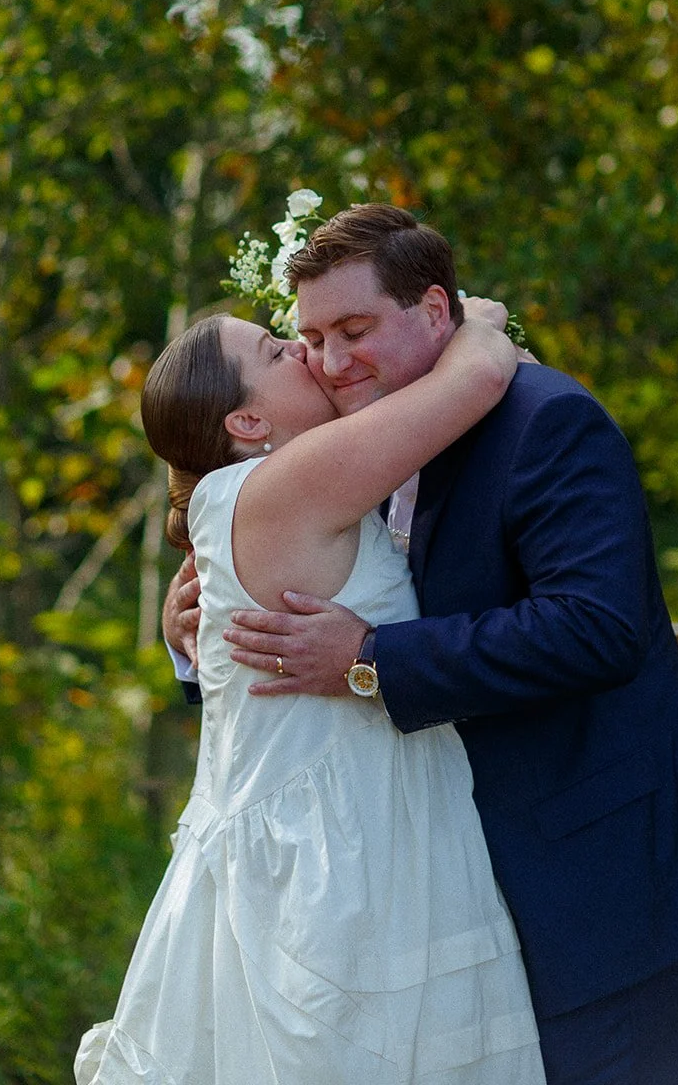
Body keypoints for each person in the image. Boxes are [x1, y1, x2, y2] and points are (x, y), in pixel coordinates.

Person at [165, 204, 678, 1085]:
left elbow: (595, 629)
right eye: (310, 338)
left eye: (354, 329)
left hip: (605, 875)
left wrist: (370, 658)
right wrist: (197, 639)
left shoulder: (546, 422)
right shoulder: (355, 451)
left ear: (436, 312)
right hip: (451, 888)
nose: (330, 362)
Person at [76, 305, 547, 1084]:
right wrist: (469, 317)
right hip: (337, 859)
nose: (299, 347)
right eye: (274, 349)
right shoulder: (282, 484)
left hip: (355, 824)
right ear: (248, 418)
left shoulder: (251, 494)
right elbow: (481, 376)